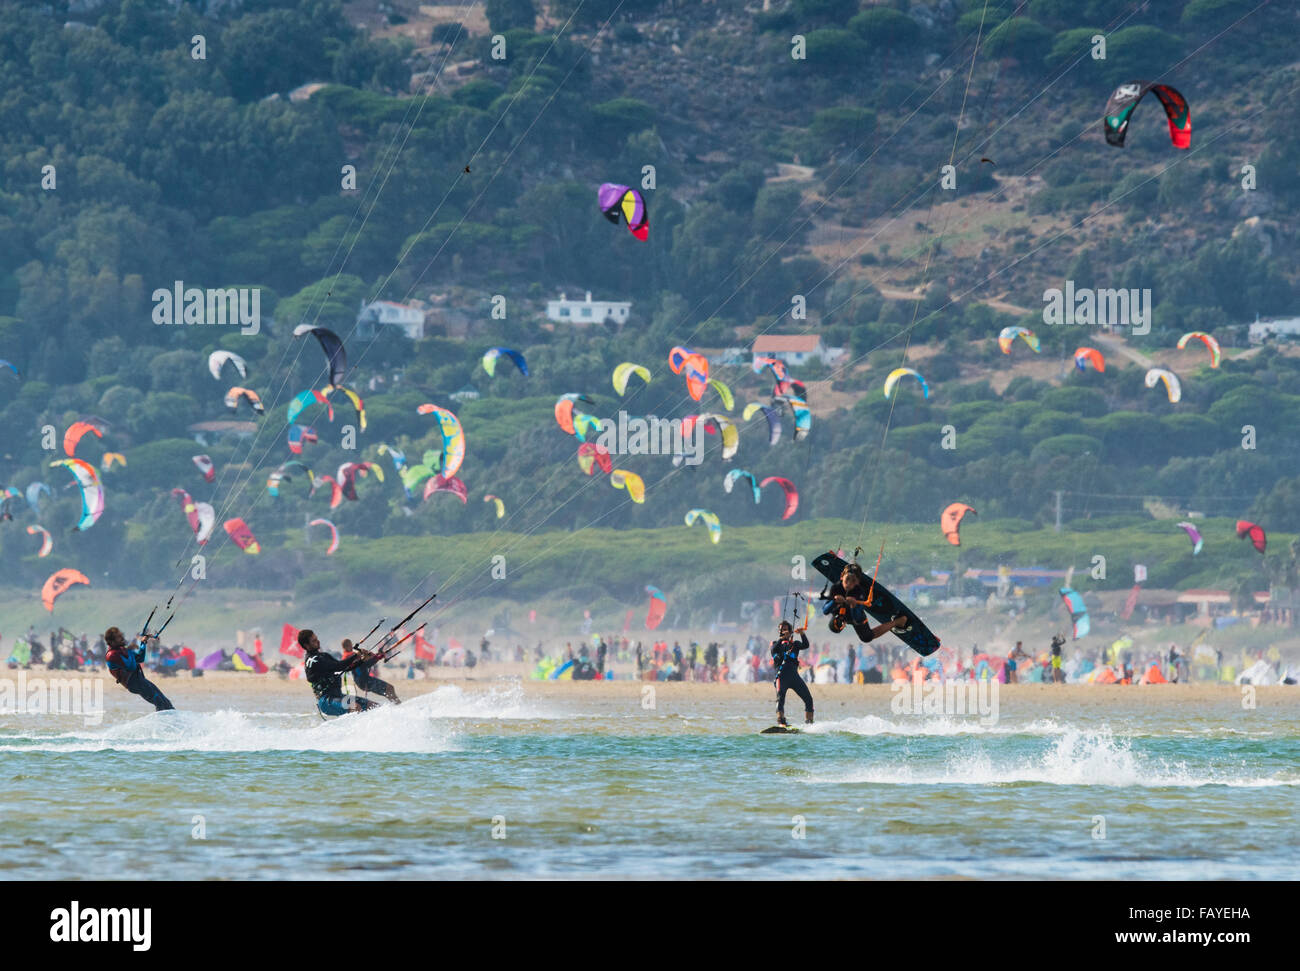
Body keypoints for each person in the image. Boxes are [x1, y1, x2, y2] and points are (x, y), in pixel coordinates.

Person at [822, 563, 908, 644]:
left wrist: (853, 605)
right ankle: (840, 620)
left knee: (866, 637)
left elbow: (857, 618)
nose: (849, 584)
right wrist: (834, 601)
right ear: (841, 576)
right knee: (834, 627)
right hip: (840, 614)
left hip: (856, 614)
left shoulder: (859, 592)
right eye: (847, 579)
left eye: (853, 581)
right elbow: (825, 611)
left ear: (858, 582)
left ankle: (899, 621)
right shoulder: (836, 587)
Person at [301, 629, 380, 717]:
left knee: (375, 706)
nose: (318, 641)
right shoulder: (314, 660)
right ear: (307, 645)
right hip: (327, 700)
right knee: (355, 707)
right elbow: (339, 666)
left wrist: (361, 660)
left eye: (316, 638)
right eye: (314, 641)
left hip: (339, 696)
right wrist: (356, 655)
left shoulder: (323, 656)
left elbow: (344, 668)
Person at [103, 627, 174, 712]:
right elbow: (131, 666)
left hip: (140, 679)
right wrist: (129, 650)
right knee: (159, 702)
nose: (122, 638)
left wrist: (143, 643)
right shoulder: (111, 655)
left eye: (122, 635)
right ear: (112, 641)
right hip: (133, 683)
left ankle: (174, 722)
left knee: (166, 702)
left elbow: (140, 659)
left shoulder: (122, 649)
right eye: (119, 637)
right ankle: (162, 723)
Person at [771, 620, 814, 727]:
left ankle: (809, 723)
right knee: (780, 699)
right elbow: (773, 651)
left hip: (794, 677)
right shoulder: (776, 644)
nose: (782, 631)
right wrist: (782, 639)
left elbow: (806, 645)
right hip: (781, 677)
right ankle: (781, 722)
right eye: (781, 630)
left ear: (790, 632)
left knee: (808, 699)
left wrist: (802, 633)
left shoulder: (795, 644)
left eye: (785, 629)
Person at [341, 638, 400, 703]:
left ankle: (396, 706)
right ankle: (398, 706)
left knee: (389, 690)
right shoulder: (349, 656)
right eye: (350, 645)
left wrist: (377, 656)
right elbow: (366, 664)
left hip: (363, 680)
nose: (352, 647)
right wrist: (376, 656)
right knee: (389, 688)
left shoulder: (349, 656)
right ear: (346, 647)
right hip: (365, 681)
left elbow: (365, 664)